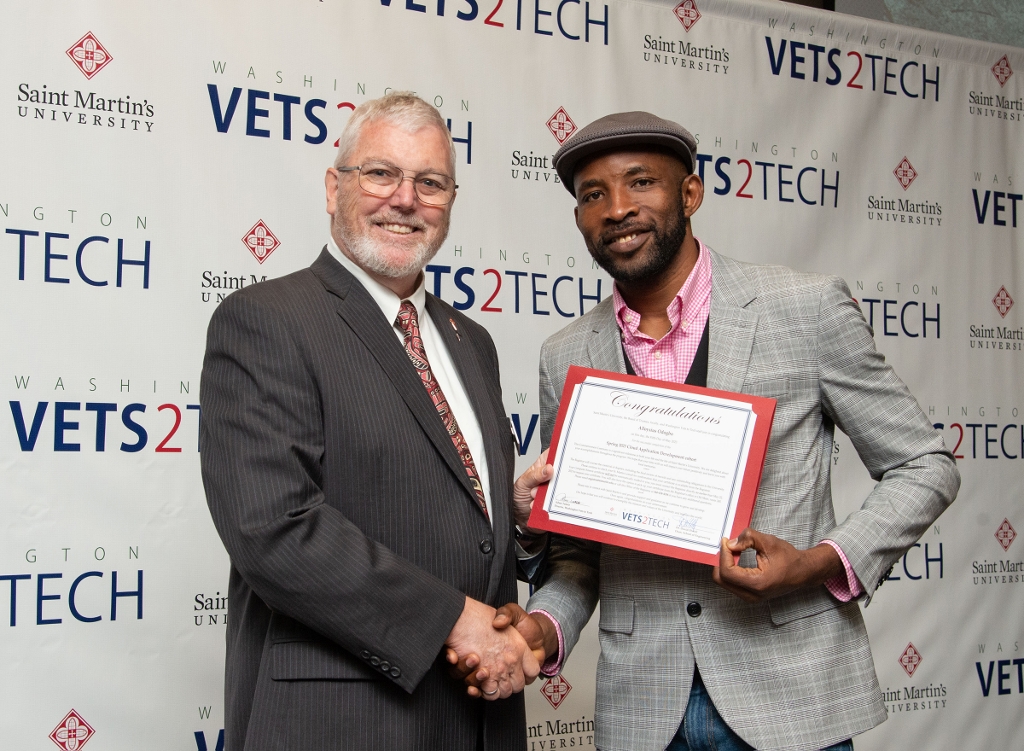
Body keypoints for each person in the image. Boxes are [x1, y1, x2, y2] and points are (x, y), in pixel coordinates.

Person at [495, 112, 961, 751]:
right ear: (578, 218)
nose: (617, 209)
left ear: (689, 194)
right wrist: (546, 625)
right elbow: (580, 550)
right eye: (593, 195)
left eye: (640, 184)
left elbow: (925, 465)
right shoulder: (565, 354)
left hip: (792, 702)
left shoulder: (805, 309)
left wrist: (815, 564)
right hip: (643, 714)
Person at [200, 92, 539, 751]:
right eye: (382, 173)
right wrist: (454, 621)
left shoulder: (472, 341)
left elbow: (434, 496)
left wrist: (513, 508)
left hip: (476, 718)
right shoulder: (268, 320)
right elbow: (273, 527)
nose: (406, 199)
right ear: (334, 187)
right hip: (346, 722)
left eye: (431, 181)